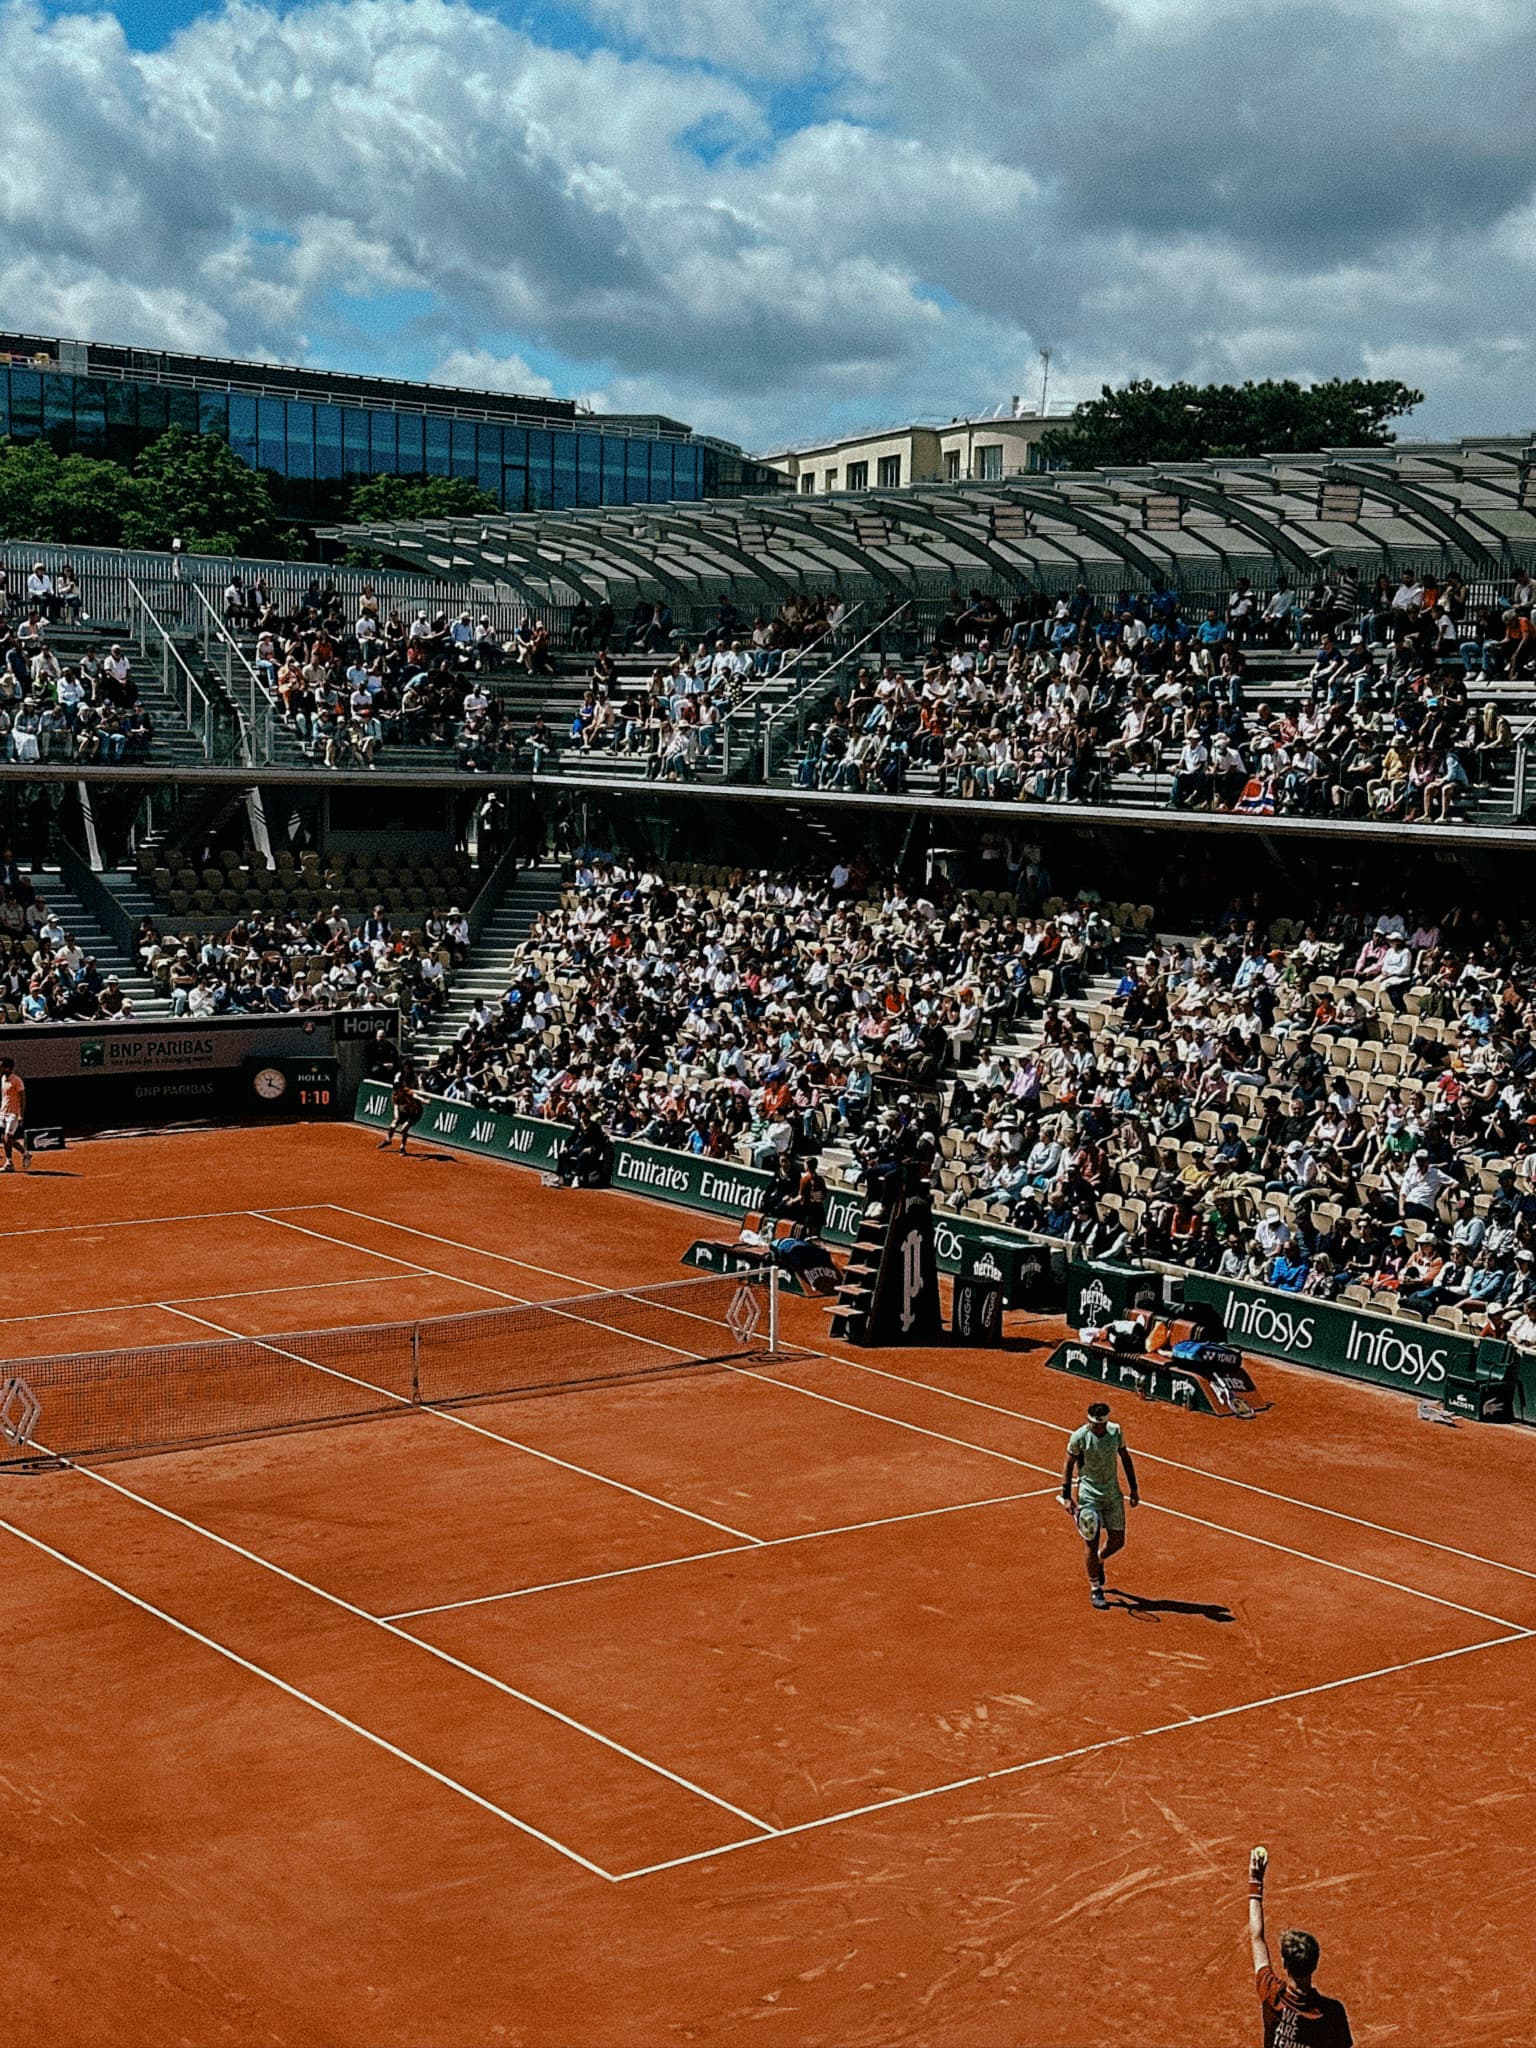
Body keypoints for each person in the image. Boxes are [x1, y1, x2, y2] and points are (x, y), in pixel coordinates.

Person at [1247, 1847, 1352, 2045]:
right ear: (1315, 1964)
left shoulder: (1271, 1993)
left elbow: (1257, 1937)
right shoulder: (1331, 2013)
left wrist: (1256, 1881)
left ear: (1286, 1965)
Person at [1061, 1399, 1139, 1609]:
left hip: (1113, 1495)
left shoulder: (1115, 1432)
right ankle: (1096, 1588)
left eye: (1099, 1424)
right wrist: (1067, 1496)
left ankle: (1099, 1560)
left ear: (1105, 1422)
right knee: (1091, 1541)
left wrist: (1134, 1489)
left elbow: (1125, 1458)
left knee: (1117, 1541)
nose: (1095, 1427)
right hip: (1089, 1497)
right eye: (1092, 1424)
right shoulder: (1079, 1437)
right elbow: (1068, 1465)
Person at [377, 1066, 423, 1155]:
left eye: (397, 1089)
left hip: (414, 1113)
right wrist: (396, 1118)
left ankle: (402, 1147)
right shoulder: (395, 1095)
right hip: (403, 1113)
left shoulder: (406, 1091)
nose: (396, 1091)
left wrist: (424, 1100)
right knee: (393, 1126)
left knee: (404, 1128)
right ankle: (388, 1140)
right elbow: (395, 1108)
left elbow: (415, 1096)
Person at [0, 1056, 24, 1172]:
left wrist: (21, 1114)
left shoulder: (17, 1080)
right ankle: (25, 1153)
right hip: (3, 1113)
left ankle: (9, 1163)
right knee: (5, 1139)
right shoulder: (2, 1079)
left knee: (8, 1137)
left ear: (8, 1068)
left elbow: (22, 1098)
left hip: (13, 1114)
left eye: (1, 1066)